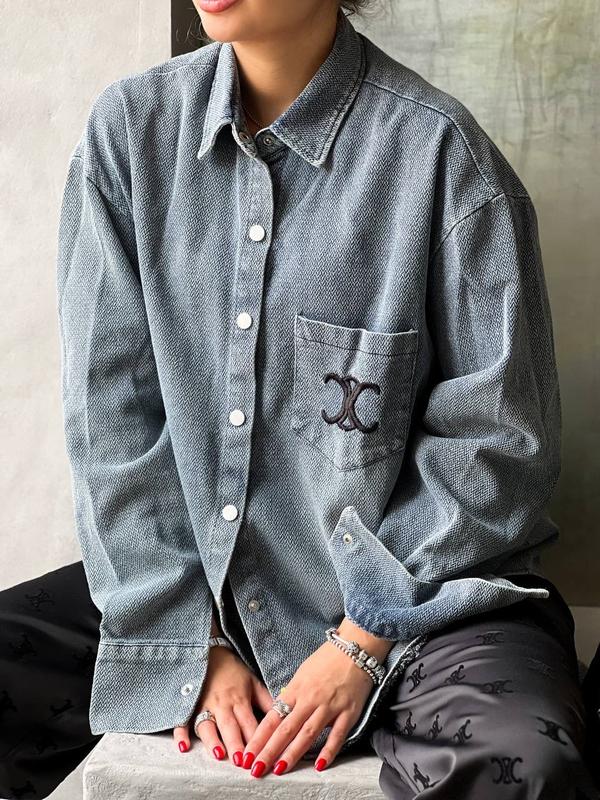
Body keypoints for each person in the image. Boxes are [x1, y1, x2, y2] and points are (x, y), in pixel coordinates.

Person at [1, 1, 598, 798]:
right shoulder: (130, 135)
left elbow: (499, 445)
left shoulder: (444, 158)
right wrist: (189, 643)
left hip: (426, 608)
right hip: (195, 591)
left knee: (527, 762)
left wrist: (363, 639)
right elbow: (112, 420)